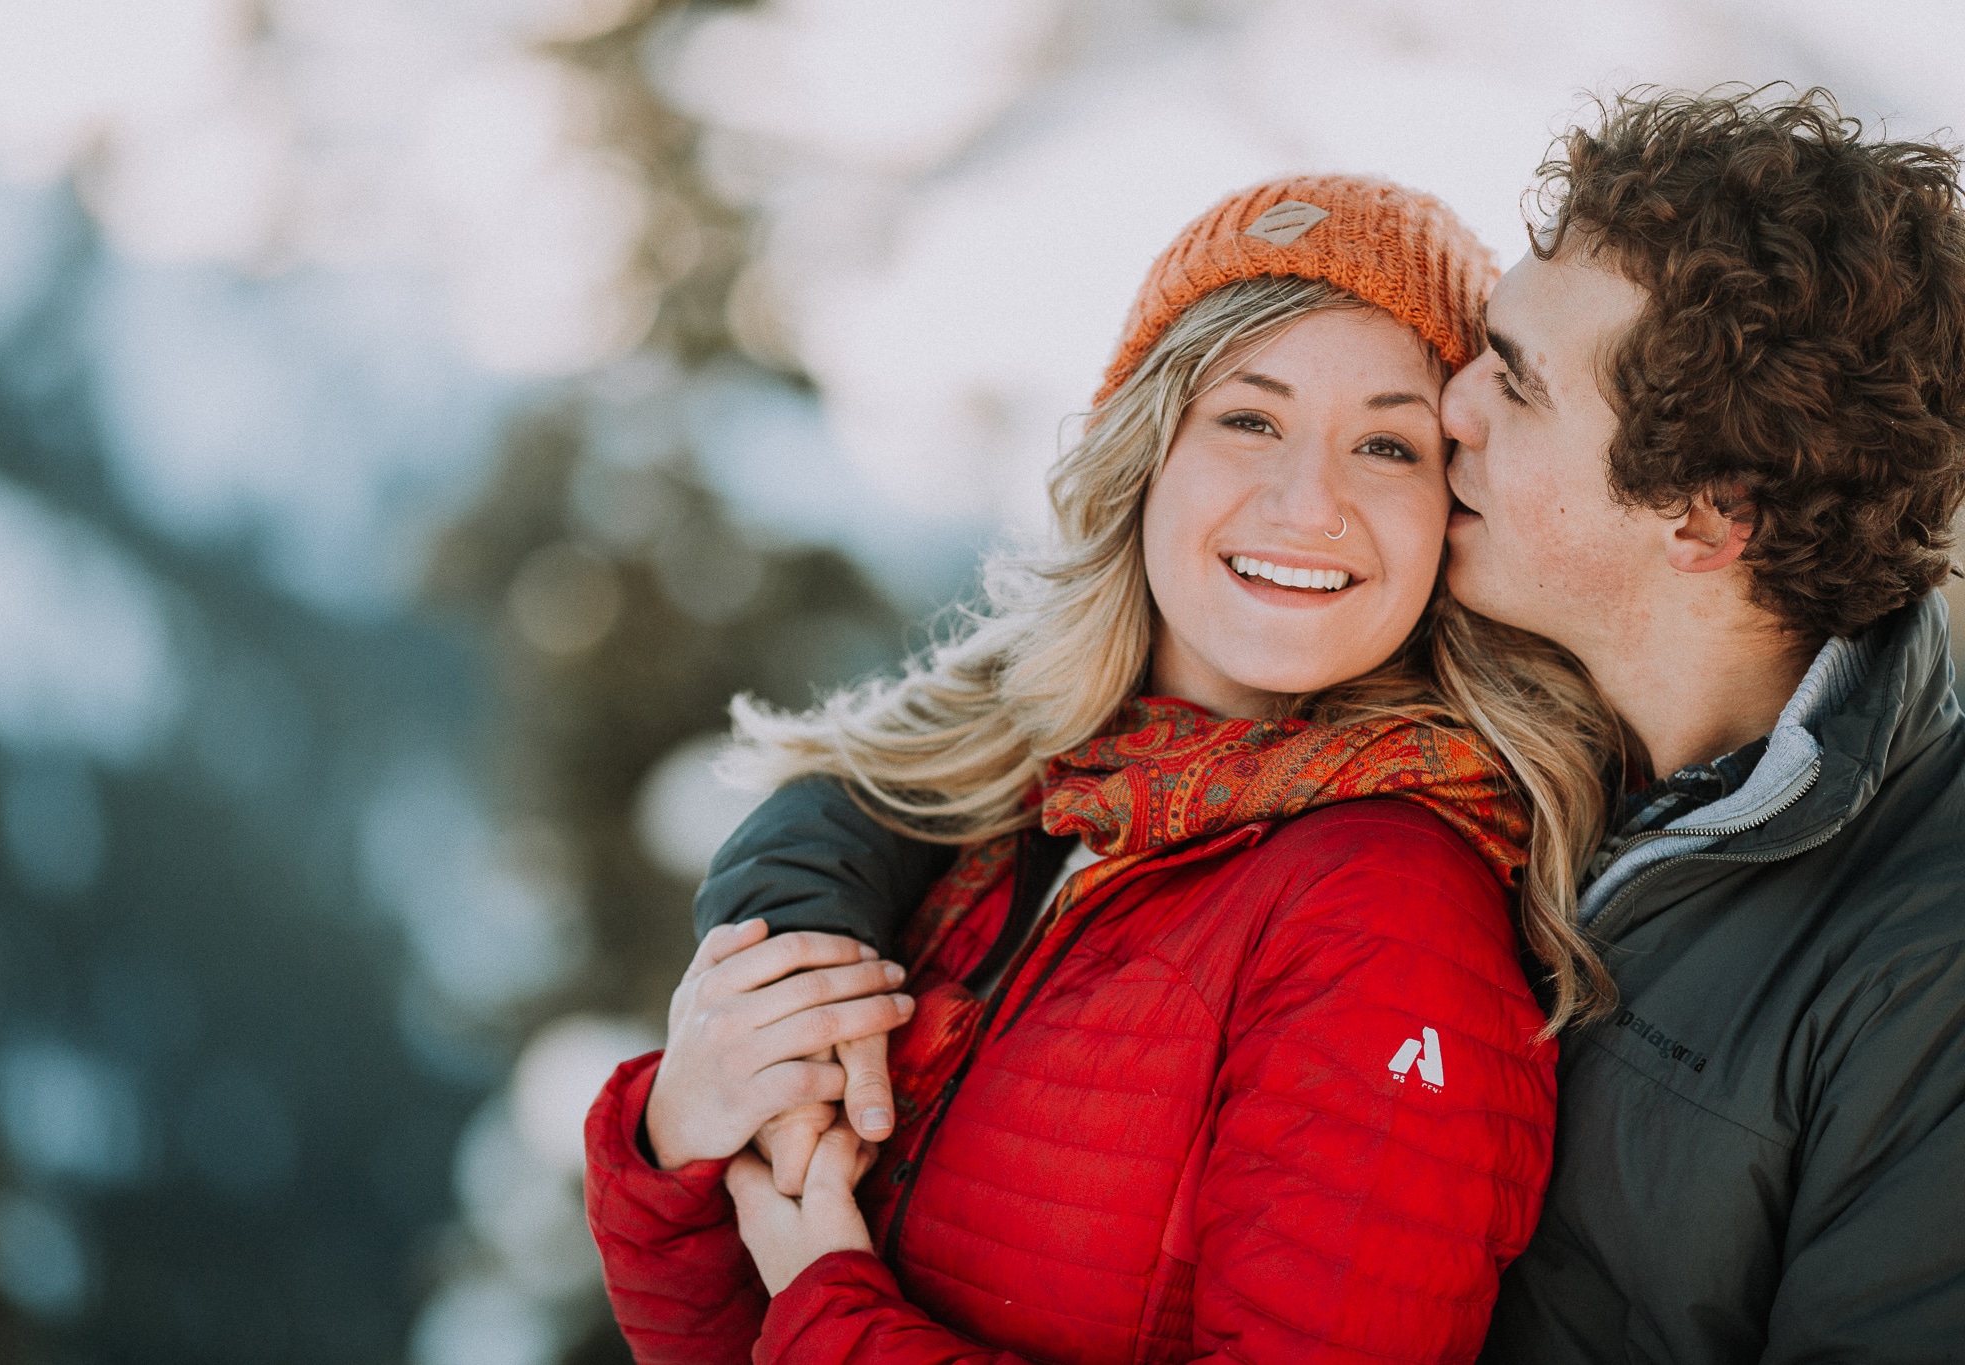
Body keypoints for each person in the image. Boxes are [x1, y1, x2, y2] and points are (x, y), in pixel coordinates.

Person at [683, 86, 1965, 1363]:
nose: (1451, 402)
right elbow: (956, 742)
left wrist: (832, 1327)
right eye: (1246, 418)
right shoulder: (1510, 727)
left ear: (1700, 521)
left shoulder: (1912, 961)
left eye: (1510, 389)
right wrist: (778, 949)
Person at [584, 175, 1628, 1362]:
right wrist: (683, 1134)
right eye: (1250, 419)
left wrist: (834, 1312)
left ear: (1452, 507)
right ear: (1143, 451)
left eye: (1386, 444)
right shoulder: (1027, 802)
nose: (1308, 502)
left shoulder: (1386, 914)